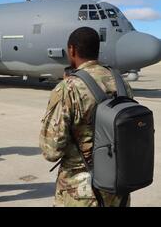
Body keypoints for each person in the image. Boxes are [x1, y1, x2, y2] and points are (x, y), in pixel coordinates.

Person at [40, 27, 132, 207]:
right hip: (118, 187)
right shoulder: (122, 83)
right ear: (97, 49)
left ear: (72, 50)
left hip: (80, 192)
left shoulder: (69, 88)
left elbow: (51, 150)